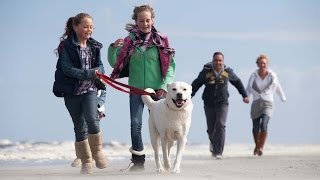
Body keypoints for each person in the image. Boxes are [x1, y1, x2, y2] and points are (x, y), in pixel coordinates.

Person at [107, 5, 175, 171]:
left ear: (152, 20)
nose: (145, 23)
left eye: (148, 20)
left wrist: (163, 86)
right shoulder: (129, 41)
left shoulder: (161, 41)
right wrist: (113, 48)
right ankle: (138, 161)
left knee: (161, 126)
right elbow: (116, 63)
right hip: (136, 89)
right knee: (135, 124)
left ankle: (163, 158)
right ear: (135, 22)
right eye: (141, 21)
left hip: (157, 92)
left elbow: (170, 66)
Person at [53, 13, 108, 174]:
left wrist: (96, 73)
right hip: (72, 92)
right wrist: (89, 73)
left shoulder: (95, 46)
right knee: (79, 127)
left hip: (90, 90)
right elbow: (67, 69)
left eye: (91, 27)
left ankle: (97, 152)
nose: (89, 29)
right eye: (85, 26)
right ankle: (86, 162)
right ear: (75, 27)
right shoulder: (66, 46)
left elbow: (101, 67)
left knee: (92, 119)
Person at [191, 52, 249, 159]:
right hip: (208, 103)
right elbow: (196, 84)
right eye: (216, 60)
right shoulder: (206, 72)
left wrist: (244, 95)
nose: (218, 62)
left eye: (220, 60)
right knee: (211, 128)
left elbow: (237, 82)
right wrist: (188, 97)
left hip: (222, 103)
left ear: (223, 61)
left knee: (220, 125)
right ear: (212, 61)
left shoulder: (228, 72)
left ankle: (218, 152)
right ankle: (213, 143)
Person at [246, 54, 286, 156]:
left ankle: (261, 147)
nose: (262, 65)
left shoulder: (272, 75)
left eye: (264, 63)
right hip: (256, 102)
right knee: (255, 127)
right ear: (257, 64)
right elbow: (249, 88)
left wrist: (282, 97)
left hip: (268, 102)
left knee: (263, 124)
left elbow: (277, 86)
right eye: (260, 63)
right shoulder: (253, 75)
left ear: (267, 64)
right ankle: (257, 145)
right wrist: (246, 96)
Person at [71, 89, 107, 167]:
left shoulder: (100, 82)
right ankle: (80, 156)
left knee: (93, 129)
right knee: (81, 130)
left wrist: (96, 105)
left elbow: (103, 95)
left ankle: (94, 156)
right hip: (82, 104)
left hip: (96, 109)